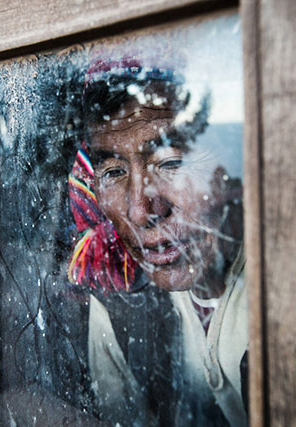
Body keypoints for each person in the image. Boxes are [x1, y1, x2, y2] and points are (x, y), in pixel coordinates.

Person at [67, 58, 247, 426]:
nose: (140, 210)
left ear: (235, 168)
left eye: (170, 162)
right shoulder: (118, 298)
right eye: (114, 172)